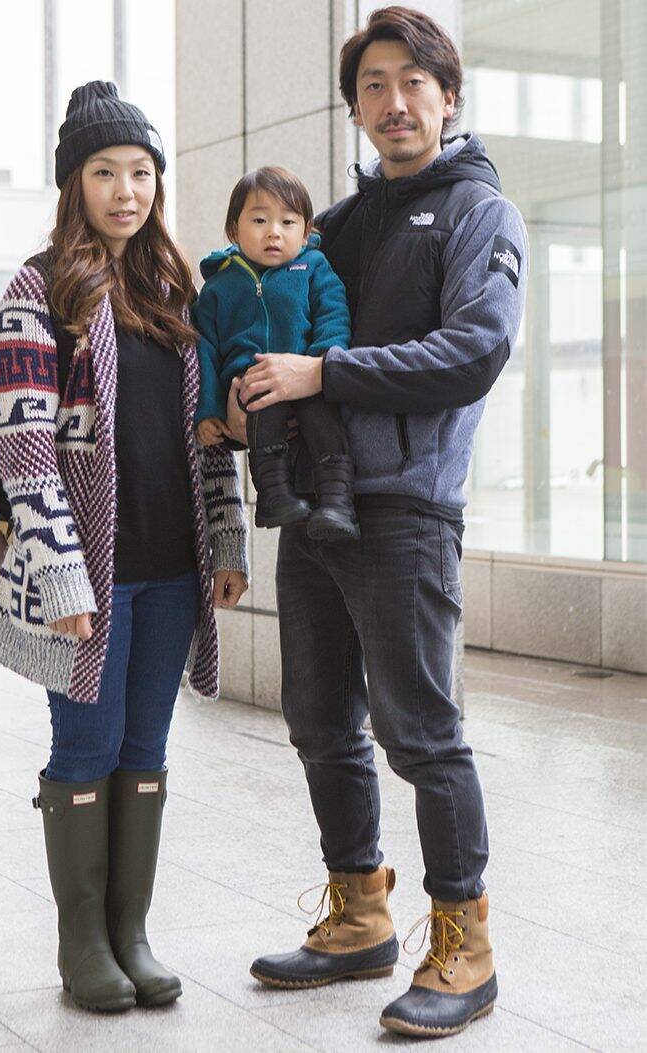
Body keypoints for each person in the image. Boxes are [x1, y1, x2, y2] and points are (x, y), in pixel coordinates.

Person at [233, 6, 527, 1039]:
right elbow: (284, 336)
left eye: (412, 82)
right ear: (355, 108)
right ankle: (360, 915)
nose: (393, 102)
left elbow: (472, 352)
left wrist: (325, 372)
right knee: (319, 721)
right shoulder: (340, 227)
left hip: (406, 507)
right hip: (316, 504)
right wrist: (245, 394)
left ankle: (466, 946)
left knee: (422, 734)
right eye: (373, 86)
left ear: (448, 96)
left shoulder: (481, 212)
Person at [0, 80, 248, 1014]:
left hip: (172, 568)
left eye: (141, 172)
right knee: (86, 746)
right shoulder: (39, 288)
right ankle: (83, 943)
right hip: (86, 577)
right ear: (75, 183)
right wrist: (60, 571)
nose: (126, 191)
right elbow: (23, 441)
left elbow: (208, 432)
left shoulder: (178, 292)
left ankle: (131, 933)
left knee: (145, 746)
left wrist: (226, 536)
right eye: (105, 172)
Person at [193, 167, 359, 541]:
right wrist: (209, 409)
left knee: (325, 424)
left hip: (308, 379)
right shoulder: (219, 286)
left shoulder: (313, 268)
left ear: (306, 231)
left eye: (288, 222)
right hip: (250, 384)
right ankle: (274, 497)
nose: (274, 232)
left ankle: (337, 503)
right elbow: (205, 352)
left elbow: (334, 315)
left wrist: (319, 365)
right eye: (259, 220)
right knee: (262, 413)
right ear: (233, 229)